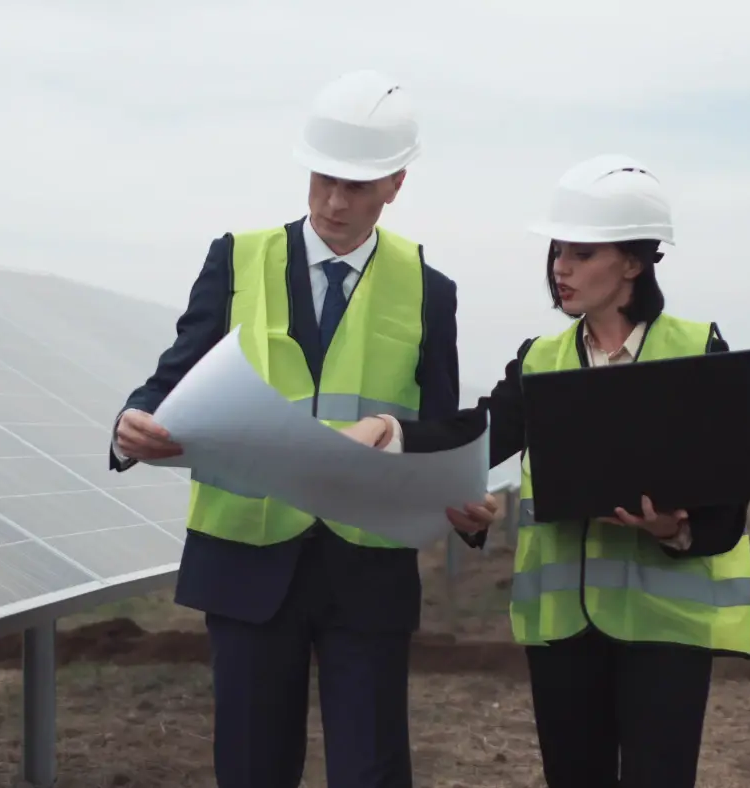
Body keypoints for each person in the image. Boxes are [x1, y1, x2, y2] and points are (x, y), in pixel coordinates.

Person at [109, 70, 484, 788]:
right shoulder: (237, 258)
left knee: (371, 770)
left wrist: (464, 509)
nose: (335, 202)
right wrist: (133, 423)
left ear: (395, 186)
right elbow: (175, 375)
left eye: (357, 186)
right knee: (251, 769)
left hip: (367, 570)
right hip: (247, 565)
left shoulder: (431, 292)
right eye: (324, 179)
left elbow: (437, 424)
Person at [340, 154, 750, 788]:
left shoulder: (698, 352)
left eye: (582, 254)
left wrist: (673, 530)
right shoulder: (543, 360)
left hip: (665, 629)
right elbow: (479, 435)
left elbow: (726, 513)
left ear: (634, 262)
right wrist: (392, 432)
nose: (560, 268)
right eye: (558, 250)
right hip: (564, 631)